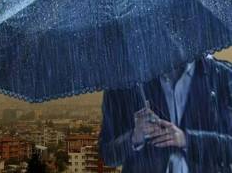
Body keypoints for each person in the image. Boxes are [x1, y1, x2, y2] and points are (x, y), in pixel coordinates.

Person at [99, 56, 232, 173]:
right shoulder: (124, 85)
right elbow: (107, 155)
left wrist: (187, 140)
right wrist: (134, 137)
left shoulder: (223, 77)